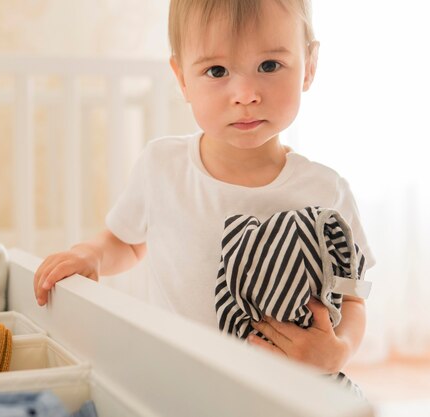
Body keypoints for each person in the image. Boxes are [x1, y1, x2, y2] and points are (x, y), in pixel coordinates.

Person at [34, 0, 375, 380]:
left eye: (269, 66)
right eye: (217, 70)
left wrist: (339, 351)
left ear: (309, 66)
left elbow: (352, 297)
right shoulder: (163, 166)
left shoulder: (326, 191)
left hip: (282, 391)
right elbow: (126, 242)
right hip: (179, 383)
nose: (245, 94)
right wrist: (91, 257)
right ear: (182, 78)